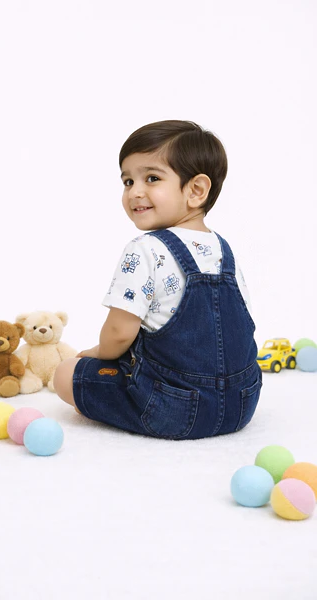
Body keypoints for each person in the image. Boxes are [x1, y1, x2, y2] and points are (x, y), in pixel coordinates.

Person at [54, 120, 262, 440]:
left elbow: (119, 332)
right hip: (242, 403)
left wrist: (99, 352)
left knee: (65, 373)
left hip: (173, 409)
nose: (135, 192)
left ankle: (103, 404)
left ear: (195, 190)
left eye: (151, 178)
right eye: (128, 181)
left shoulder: (145, 249)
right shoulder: (223, 250)